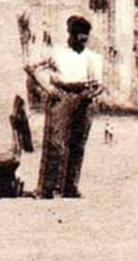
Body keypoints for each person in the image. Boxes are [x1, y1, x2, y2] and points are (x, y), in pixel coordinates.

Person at [26, 15, 104, 199]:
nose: (83, 39)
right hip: (61, 96)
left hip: (84, 97)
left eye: (86, 35)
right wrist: (47, 88)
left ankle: (70, 187)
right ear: (70, 34)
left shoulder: (92, 57)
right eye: (79, 35)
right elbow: (31, 67)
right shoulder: (57, 52)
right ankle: (46, 188)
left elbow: (99, 84)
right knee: (55, 142)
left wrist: (92, 94)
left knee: (77, 144)